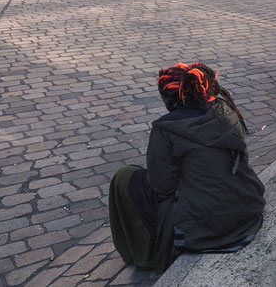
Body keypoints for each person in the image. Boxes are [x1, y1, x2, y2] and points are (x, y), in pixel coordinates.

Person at [109, 62, 265, 272]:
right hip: (244, 209)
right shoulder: (226, 109)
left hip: (204, 225)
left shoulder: (165, 129)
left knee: (125, 177)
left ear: (169, 98)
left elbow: (162, 186)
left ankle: (144, 256)